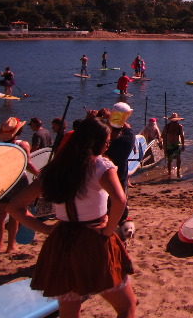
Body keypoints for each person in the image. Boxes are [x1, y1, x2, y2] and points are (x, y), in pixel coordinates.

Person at [7, 115, 137, 317]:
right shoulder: (100, 166)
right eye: (107, 142)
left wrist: (47, 229)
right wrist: (109, 230)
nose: (108, 146)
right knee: (126, 306)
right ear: (97, 143)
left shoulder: (55, 170)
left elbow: (14, 207)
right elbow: (120, 201)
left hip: (62, 243)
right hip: (94, 240)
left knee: (69, 313)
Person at [0, 117, 39, 252]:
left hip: (4, 180)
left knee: (0, 215)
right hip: (19, 180)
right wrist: (38, 174)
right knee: (15, 213)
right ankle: (10, 246)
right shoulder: (22, 144)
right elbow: (27, 164)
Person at [103, 103, 135, 221]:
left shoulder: (101, 144)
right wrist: (113, 116)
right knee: (120, 202)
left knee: (106, 203)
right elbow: (127, 126)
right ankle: (121, 219)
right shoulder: (127, 140)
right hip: (120, 177)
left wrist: (104, 117)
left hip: (103, 179)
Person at [162, 113, 185, 179]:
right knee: (169, 160)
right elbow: (163, 136)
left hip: (176, 144)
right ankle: (169, 173)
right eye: (174, 120)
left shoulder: (179, 126)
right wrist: (164, 146)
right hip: (169, 144)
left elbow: (182, 136)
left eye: (176, 120)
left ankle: (178, 172)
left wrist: (183, 145)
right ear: (171, 120)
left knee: (178, 158)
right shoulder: (167, 126)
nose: (175, 121)